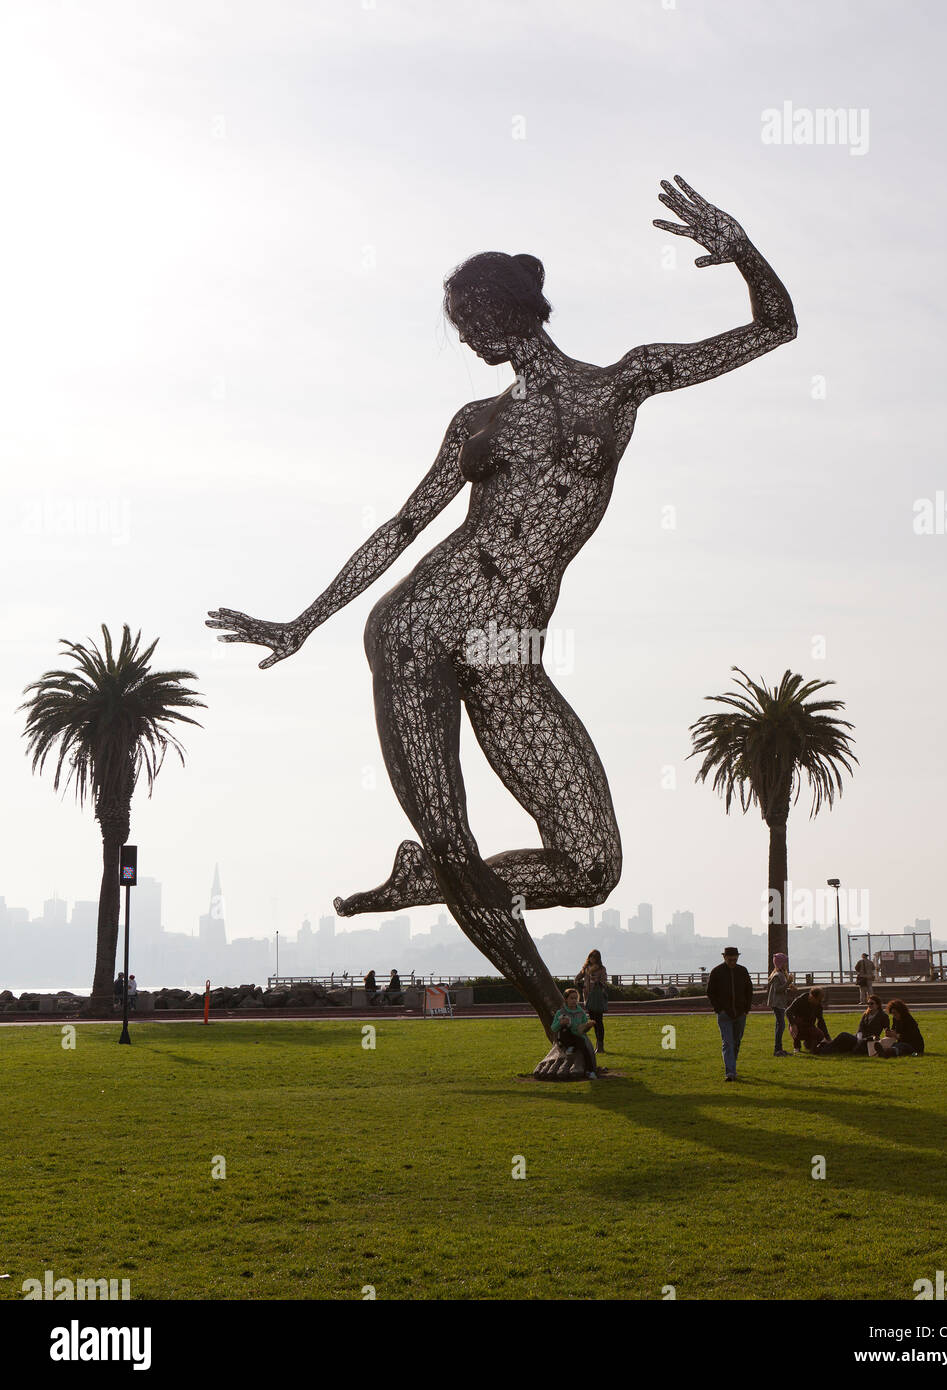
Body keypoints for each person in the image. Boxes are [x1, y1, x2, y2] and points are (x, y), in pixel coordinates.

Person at [207, 178, 797, 1036]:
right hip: (419, 631)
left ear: (513, 308)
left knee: (593, 866)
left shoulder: (622, 383)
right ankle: (559, 1023)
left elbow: (773, 328)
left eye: (473, 319)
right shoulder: (474, 421)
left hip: (510, 649)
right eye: (460, 328)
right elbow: (403, 524)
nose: (468, 338)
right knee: (454, 838)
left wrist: (739, 249)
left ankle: (433, 878)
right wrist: (303, 623)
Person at [707, 947, 754, 1081]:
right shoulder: (717, 972)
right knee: (727, 1043)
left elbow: (749, 990)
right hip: (724, 1014)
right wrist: (719, 1009)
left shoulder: (742, 971)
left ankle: (732, 1064)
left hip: (740, 1013)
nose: (733, 962)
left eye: (735, 959)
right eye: (730, 959)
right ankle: (730, 1072)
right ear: (724, 957)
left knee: (736, 1041)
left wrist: (746, 1009)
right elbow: (710, 992)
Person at [550, 988, 598, 1077]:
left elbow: (583, 1029)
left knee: (585, 1047)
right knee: (565, 1030)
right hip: (565, 1037)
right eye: (571, 998)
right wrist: (560, 1023)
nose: (574, 1001)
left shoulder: (581, 1013)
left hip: (578, 1036)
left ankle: (590, 1071)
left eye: (576, 998)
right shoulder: (560, 1012)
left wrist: (588, 1025)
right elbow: (553, 1028)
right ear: (566, 999)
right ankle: (570, 1046)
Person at [576, 949, 609, 1054]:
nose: (592, 958)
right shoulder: (586, 968)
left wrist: (597, 981)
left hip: (597, 997)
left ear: (598, 958)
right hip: (588, 997)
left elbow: (604, 982)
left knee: (599, 1021)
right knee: (593, 1022)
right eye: (591, 956)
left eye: (595, 957)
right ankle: (597, 1046)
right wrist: (580, 984)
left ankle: (600, 1046)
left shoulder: (601, 969)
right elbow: (576, 979)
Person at [786, 987, 831, 1054]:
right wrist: (792, 1024)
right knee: (797, 1023)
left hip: (809, 1026)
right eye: (818, 1000)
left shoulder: (818, 1006)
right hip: (797, 1026)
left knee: (820, 1035)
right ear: (812, 997)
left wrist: (827, 1038)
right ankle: (797, 1047)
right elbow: (788, 1011)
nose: (819, 1002)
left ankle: (811, 1047)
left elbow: (821, 1021)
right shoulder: (800, 1000)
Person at [765, 952, 793, 1057]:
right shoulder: (777, 975)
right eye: (785, 962)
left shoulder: (781, 974)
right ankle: (777, 1049)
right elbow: (778, 989)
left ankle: (779, 1049)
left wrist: (789, 986)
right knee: (781, 1026)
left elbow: (782, 988)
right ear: (781, 963)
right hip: (777, 1003)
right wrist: (788, 983)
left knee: (780, 1025)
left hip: (780, 1003)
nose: (786, 964)